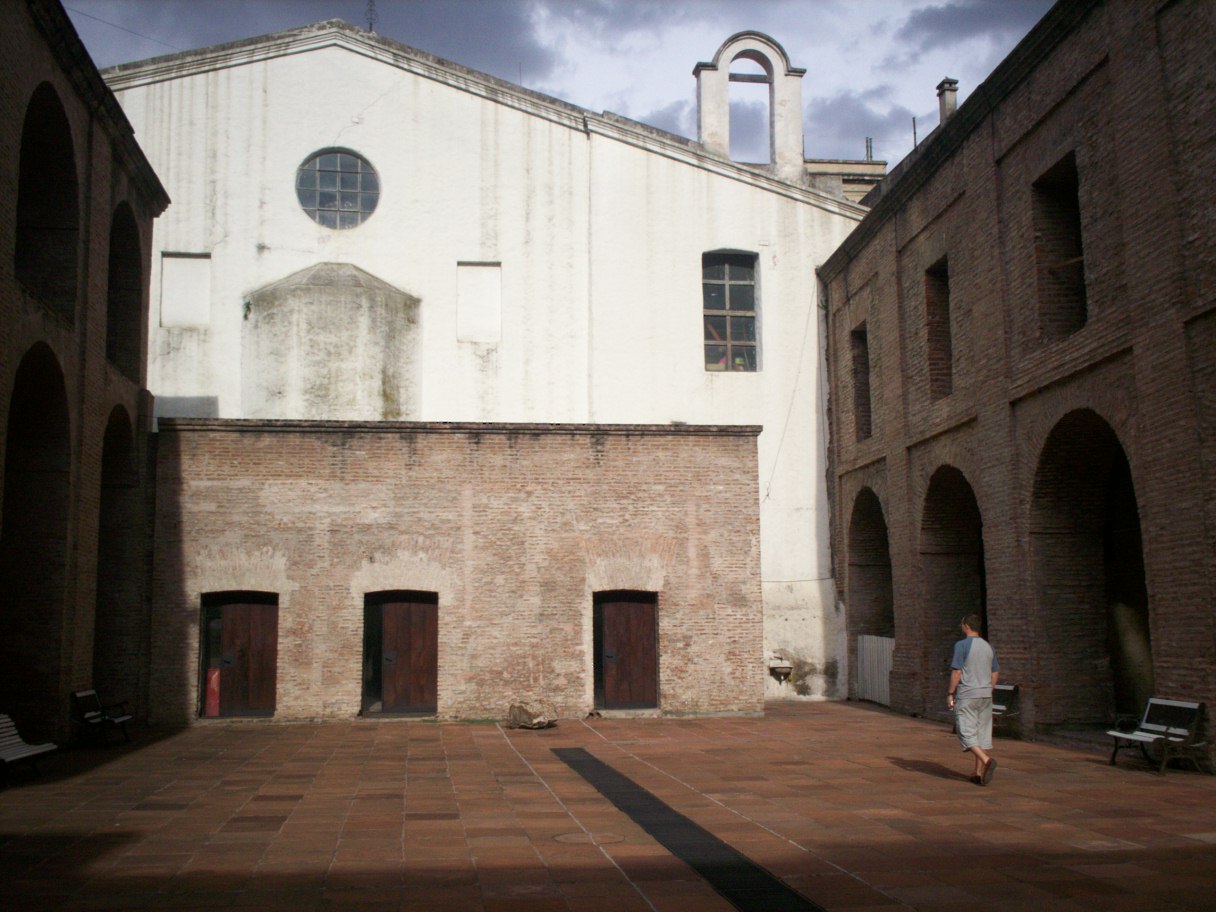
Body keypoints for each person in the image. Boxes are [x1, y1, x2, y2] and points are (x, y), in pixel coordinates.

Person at [947, 613, 1000, 785]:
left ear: (966, 626)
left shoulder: (962, 645)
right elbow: (995, 673)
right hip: (985, 695)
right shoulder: (989, 647)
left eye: (962, 624)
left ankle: (986, 761)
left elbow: (956, 672)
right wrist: (988, 689)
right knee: (981, 734)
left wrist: (950, 693)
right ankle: (977, 773)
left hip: (968, 694)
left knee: (965, 731)